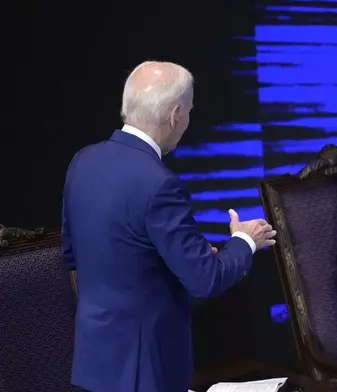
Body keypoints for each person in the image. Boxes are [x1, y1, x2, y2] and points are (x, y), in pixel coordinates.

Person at [61, 61, 277, 392]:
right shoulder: (159, 184)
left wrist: (173, 257)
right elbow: (206, 280)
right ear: (176, 114)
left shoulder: (82, 162)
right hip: (145, 370)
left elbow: (80, 256)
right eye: (189, 112)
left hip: (95, 361)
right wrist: (245, 241)